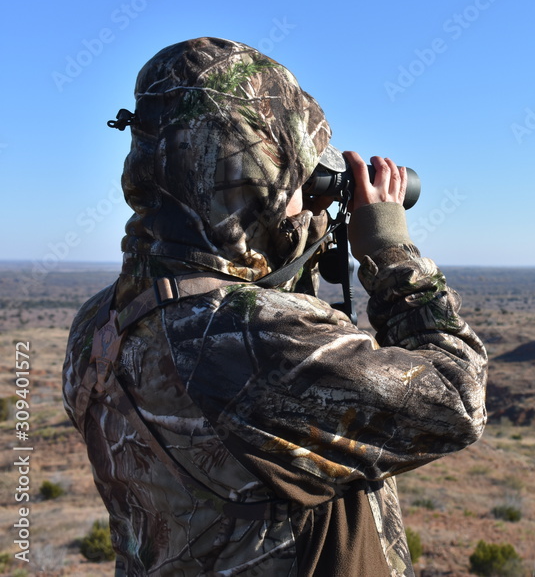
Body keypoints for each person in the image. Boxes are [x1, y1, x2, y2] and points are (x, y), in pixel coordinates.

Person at [62, 37, 488, 576]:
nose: (307, 194)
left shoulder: (98, 325)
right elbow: (457, 400)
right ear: (253, 183)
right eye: (294, 173)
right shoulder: (255, 340)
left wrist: (289, 244)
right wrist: (389, 249)